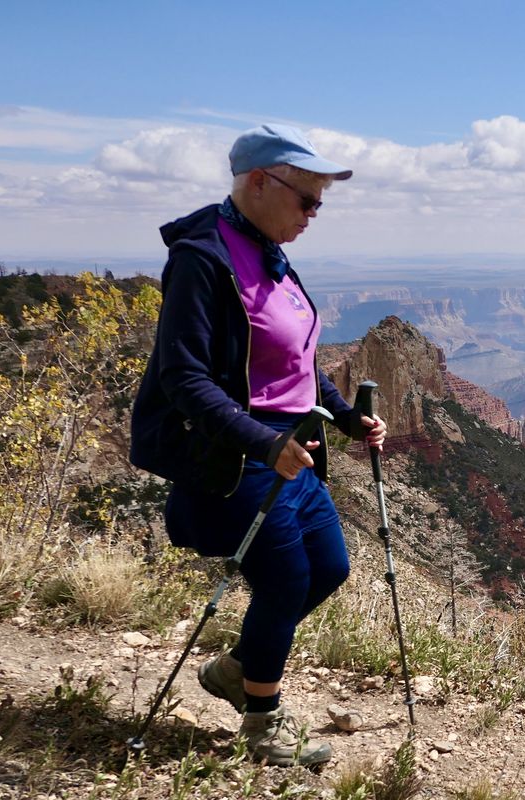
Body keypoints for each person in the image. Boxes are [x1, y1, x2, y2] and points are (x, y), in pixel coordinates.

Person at [130, 124, 386, 767]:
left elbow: (294, 362)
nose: (314, 214)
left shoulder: (269, 248)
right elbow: (182, 376)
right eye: (308, 199)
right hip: (239, 459)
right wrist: (261, 443)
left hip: (291, 452)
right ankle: (263, 723)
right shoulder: (204, 258)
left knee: (328, 569)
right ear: (258, 182)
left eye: (320, 203)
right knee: (285, 579)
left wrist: (347, 416)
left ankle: (236, 669)